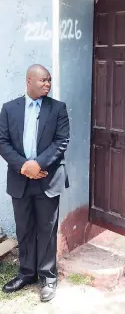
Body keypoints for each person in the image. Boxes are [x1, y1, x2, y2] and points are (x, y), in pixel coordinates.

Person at [0, 64, 70, 302]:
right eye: (43, 80)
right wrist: (23, 166)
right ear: (29, 80)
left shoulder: (58, 108)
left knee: (47, 229)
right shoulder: (9, 109)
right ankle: (26, 273)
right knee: (24, 228)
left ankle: (48, 277)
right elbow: (3, 142)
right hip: (20, 179)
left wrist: (38, 164)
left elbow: (62, 141)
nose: (48, 84)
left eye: (49, 80)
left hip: (47, 179)